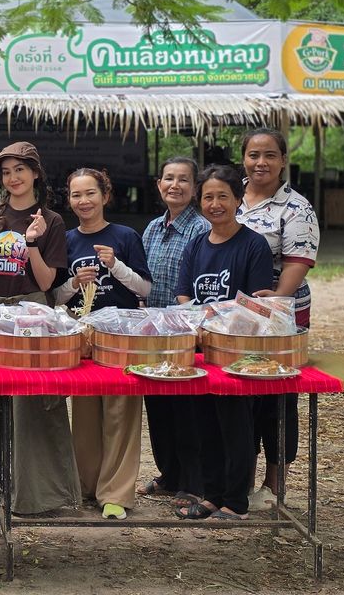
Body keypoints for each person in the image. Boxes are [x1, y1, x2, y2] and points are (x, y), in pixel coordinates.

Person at [0, 142, 80, 516]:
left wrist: (31, 241)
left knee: (34, 406)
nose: (12, 178)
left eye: (20, 170)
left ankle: (37, 495)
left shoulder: (52, 220)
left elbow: (47, 280)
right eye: (6, 172)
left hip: (33, 315)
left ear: (35, 173)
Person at [175, 164, 274, 520]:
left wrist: (220, 316)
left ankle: (236, 501)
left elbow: (258, 305)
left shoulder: (253, 245)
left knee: (236, 427)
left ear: (237, 199)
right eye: (208, 197)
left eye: (223, 197)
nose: (215, 204)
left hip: (238, 356)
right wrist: (203, 318)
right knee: (206, 425)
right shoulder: (196, 244)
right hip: (203, 353)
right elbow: (184, 295)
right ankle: (212, 495)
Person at [53, 168, 152, 521]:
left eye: (90, 193)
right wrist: (74, 284)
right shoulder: (65, 240)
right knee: (85, 416)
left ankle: (116, 493)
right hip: (82, 335)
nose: (83, 201)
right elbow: (56, 297)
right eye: (76, 195)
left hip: (122, 336)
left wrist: (116, 266)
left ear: (105, 196)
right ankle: (86, 486)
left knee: (120, 415)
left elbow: (144, 289)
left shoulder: (125, 236)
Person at [236, 128, 320, 511]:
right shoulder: (229, 198)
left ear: (283, 160)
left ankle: (273, 484)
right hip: (235, 318)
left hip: (278, 319)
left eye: (270, 155)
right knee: (239, 396)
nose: (261, 163)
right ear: (244, 159)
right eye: (254, 155)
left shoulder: (296, 208)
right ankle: (239, 479)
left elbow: (298, 261)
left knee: (275, 398)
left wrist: (277, 302)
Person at [138, 157, 210, 508]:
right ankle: (169, 475)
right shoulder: (152, 228)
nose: (175, 185)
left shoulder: (202, 229)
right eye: (169, 178)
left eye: (184, 180)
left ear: (195, 188)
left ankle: (194, 482)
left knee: (187, 410)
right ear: (158, 184)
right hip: (153, 332)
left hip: (186, 334)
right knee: (158, 407)